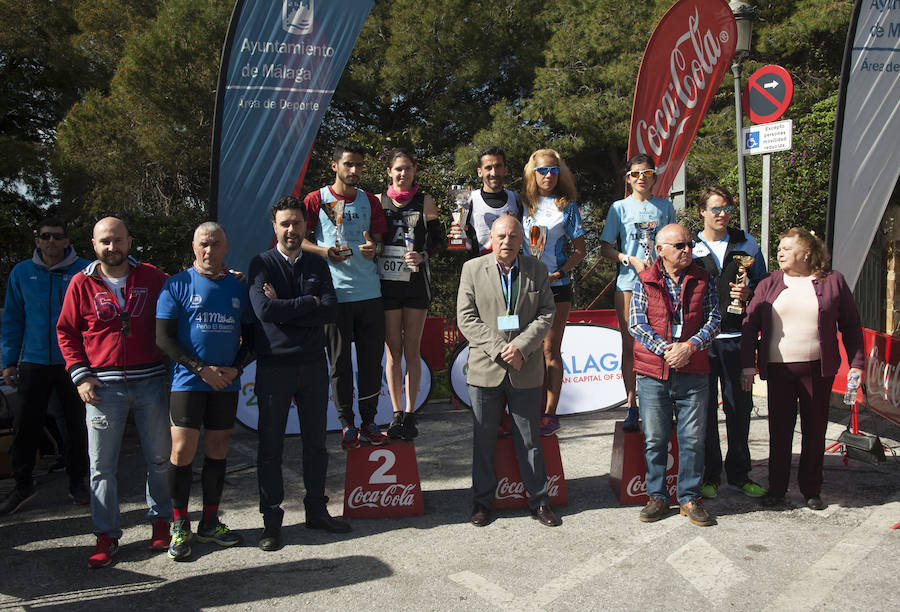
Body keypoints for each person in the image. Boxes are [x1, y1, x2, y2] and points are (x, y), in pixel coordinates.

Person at [56, 217, 172, 569]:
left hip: (150, 381)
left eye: (118, 240)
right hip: (102, 387)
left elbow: (184, 295)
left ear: (129, 241)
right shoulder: (81, 282)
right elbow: (66, 332)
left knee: (159, 459)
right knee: (101, 467)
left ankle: (161, 522)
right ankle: (106, 534)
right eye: (105, 241)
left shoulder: (153, 277)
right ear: (94, 244)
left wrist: (226, 278)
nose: (112, 247)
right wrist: (80, 377)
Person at [250, 197, 349, 552]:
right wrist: (309, 303)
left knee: (315, 445)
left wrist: (287, 309)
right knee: (270, 447)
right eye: (284, 224)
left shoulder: (316, 265)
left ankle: (316, 511)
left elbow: (330, 311)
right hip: (274, 366)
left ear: (306, 227)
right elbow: (263, 310)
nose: (291, 230)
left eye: (296, 223)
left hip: (311, 365)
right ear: (274, 227)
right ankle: (271, 522)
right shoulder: (260, 263)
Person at [740, 228, 865, 511]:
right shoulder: (769, 282)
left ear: (807, 253)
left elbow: (851, 327)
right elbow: (750, 327)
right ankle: (776, 489)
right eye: (779, 248)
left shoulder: (834, 281)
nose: (779, 252)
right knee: (780, 431)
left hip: (818, 370)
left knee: (815, 430)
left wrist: (857, 364)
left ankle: (812, 489)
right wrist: (748, 365)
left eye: (787, 247)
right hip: (779, 370)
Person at [155, 222, 255, 561]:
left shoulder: (239, 286)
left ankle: (210, 522)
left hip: (225, 383)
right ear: (193, 247)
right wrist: (201, 369)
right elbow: (164, 338)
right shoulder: (176, 284)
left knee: (218, 448)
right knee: (182, 451)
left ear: (226, 247)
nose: (208, 250)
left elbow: (253, 339)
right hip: (188, 382)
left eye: (215, 244)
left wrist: (236, 368)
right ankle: (180, 524)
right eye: (202, 244)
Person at [456, 215, 561, 528]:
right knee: (483, 440)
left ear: (521, 239)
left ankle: (540, 502)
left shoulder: (537, 270)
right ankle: (482, 503)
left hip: (525, 369)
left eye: (513, 237)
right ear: (492, 237)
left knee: (530, 441)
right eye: (501, 236)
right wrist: (501, 349)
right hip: (486, 370)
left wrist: (522, 348)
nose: (507, 242)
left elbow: (546, 314)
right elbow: (466, 318)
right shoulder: (472, 269)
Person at [629, 223, 720, 526]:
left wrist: (690, 347)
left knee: (693, 439)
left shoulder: (704, 278)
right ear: (660, 250)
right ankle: (656, 496)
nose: (687, 251)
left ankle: (689, 497)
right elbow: (637, 324)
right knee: (655, 438)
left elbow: (714, 319)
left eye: (689, 245)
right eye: (679, 246)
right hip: (654, 372)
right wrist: (667, 350)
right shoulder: (644, 280)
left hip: (693, 371)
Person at [1, 217, 90, 515]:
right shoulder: (22, 273)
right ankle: (23, 485)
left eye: (57, 236)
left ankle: (78, 482)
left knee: (76, 426)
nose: (51, 241)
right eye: (45, 236)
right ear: (37, 241)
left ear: (67, 241)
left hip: (73, 362)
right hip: (32, 362)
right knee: (25, 426)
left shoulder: (85, 270)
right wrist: (8, 361)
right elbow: (13, 319)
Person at [302, 142, 388, 449]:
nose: (354, 171)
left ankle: (369, 421)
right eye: (348, 164)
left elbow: (378, 244)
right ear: (334, 166)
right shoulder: (316, 199)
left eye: (359, 165)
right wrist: (324, 251)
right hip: (334, 296)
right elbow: (296, 240)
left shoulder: (370, 201)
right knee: (339, 363)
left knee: (370, 363)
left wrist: (373, 249)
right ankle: (346, 424)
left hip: (369, 294)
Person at [691, 186, 768, 500]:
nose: (721, 214)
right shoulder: (690, 245)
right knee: (705, 412)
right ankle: (710, 475)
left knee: (740, 409)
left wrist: (751, 294)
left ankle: (739, 474)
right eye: (715, 209)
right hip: (702, 342)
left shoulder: (746, 242)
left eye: (726, 208)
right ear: (702, 212)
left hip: (737, 339)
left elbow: (764, 282)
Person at [600, 154, 677, 431]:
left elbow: (675, 243)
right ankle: (632, 405)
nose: (641, 179)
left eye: (646, 174)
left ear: (654, 177)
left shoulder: (665, 207)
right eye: (635, 174)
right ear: (628, 178)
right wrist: (628, 259)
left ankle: (661, 403)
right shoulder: (619, 208)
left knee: (660, 343)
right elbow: (605, 247)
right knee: (631, 346)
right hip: (629, 285)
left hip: (661, 285)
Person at [375, 149, 444, 439]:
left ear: (415, 170)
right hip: (387, 285)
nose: (403, 174)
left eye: (408, 169)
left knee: (412, 349)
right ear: (390, 172)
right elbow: (373, 239)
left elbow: (440, 240)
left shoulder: (425, 201)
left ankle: (411, 413)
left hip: (416, 284)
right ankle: (394, 412)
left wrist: (424, 254)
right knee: (393, 351)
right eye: (398, 169)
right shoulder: (378, 201)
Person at [520, 149, 586, 436]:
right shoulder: (521, 202)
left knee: (550, 350)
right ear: (532, 173)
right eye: (543, 170)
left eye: (554, 171)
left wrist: (559, 273)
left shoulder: (567, 206)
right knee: (526, 349)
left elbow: (580, 251)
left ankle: (550, 412)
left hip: (556, 287)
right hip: (524, 287)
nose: (548, 176)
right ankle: (526, 410)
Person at [450, 145, 522, 255]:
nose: (494, 173)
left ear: (505, 170)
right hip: (480, 268)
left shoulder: (517, 200)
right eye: (488, 168)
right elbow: (460, 247)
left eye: (498, 166)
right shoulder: (468, 201)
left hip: (511, 269)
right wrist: (457, 237)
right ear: (479, 172)